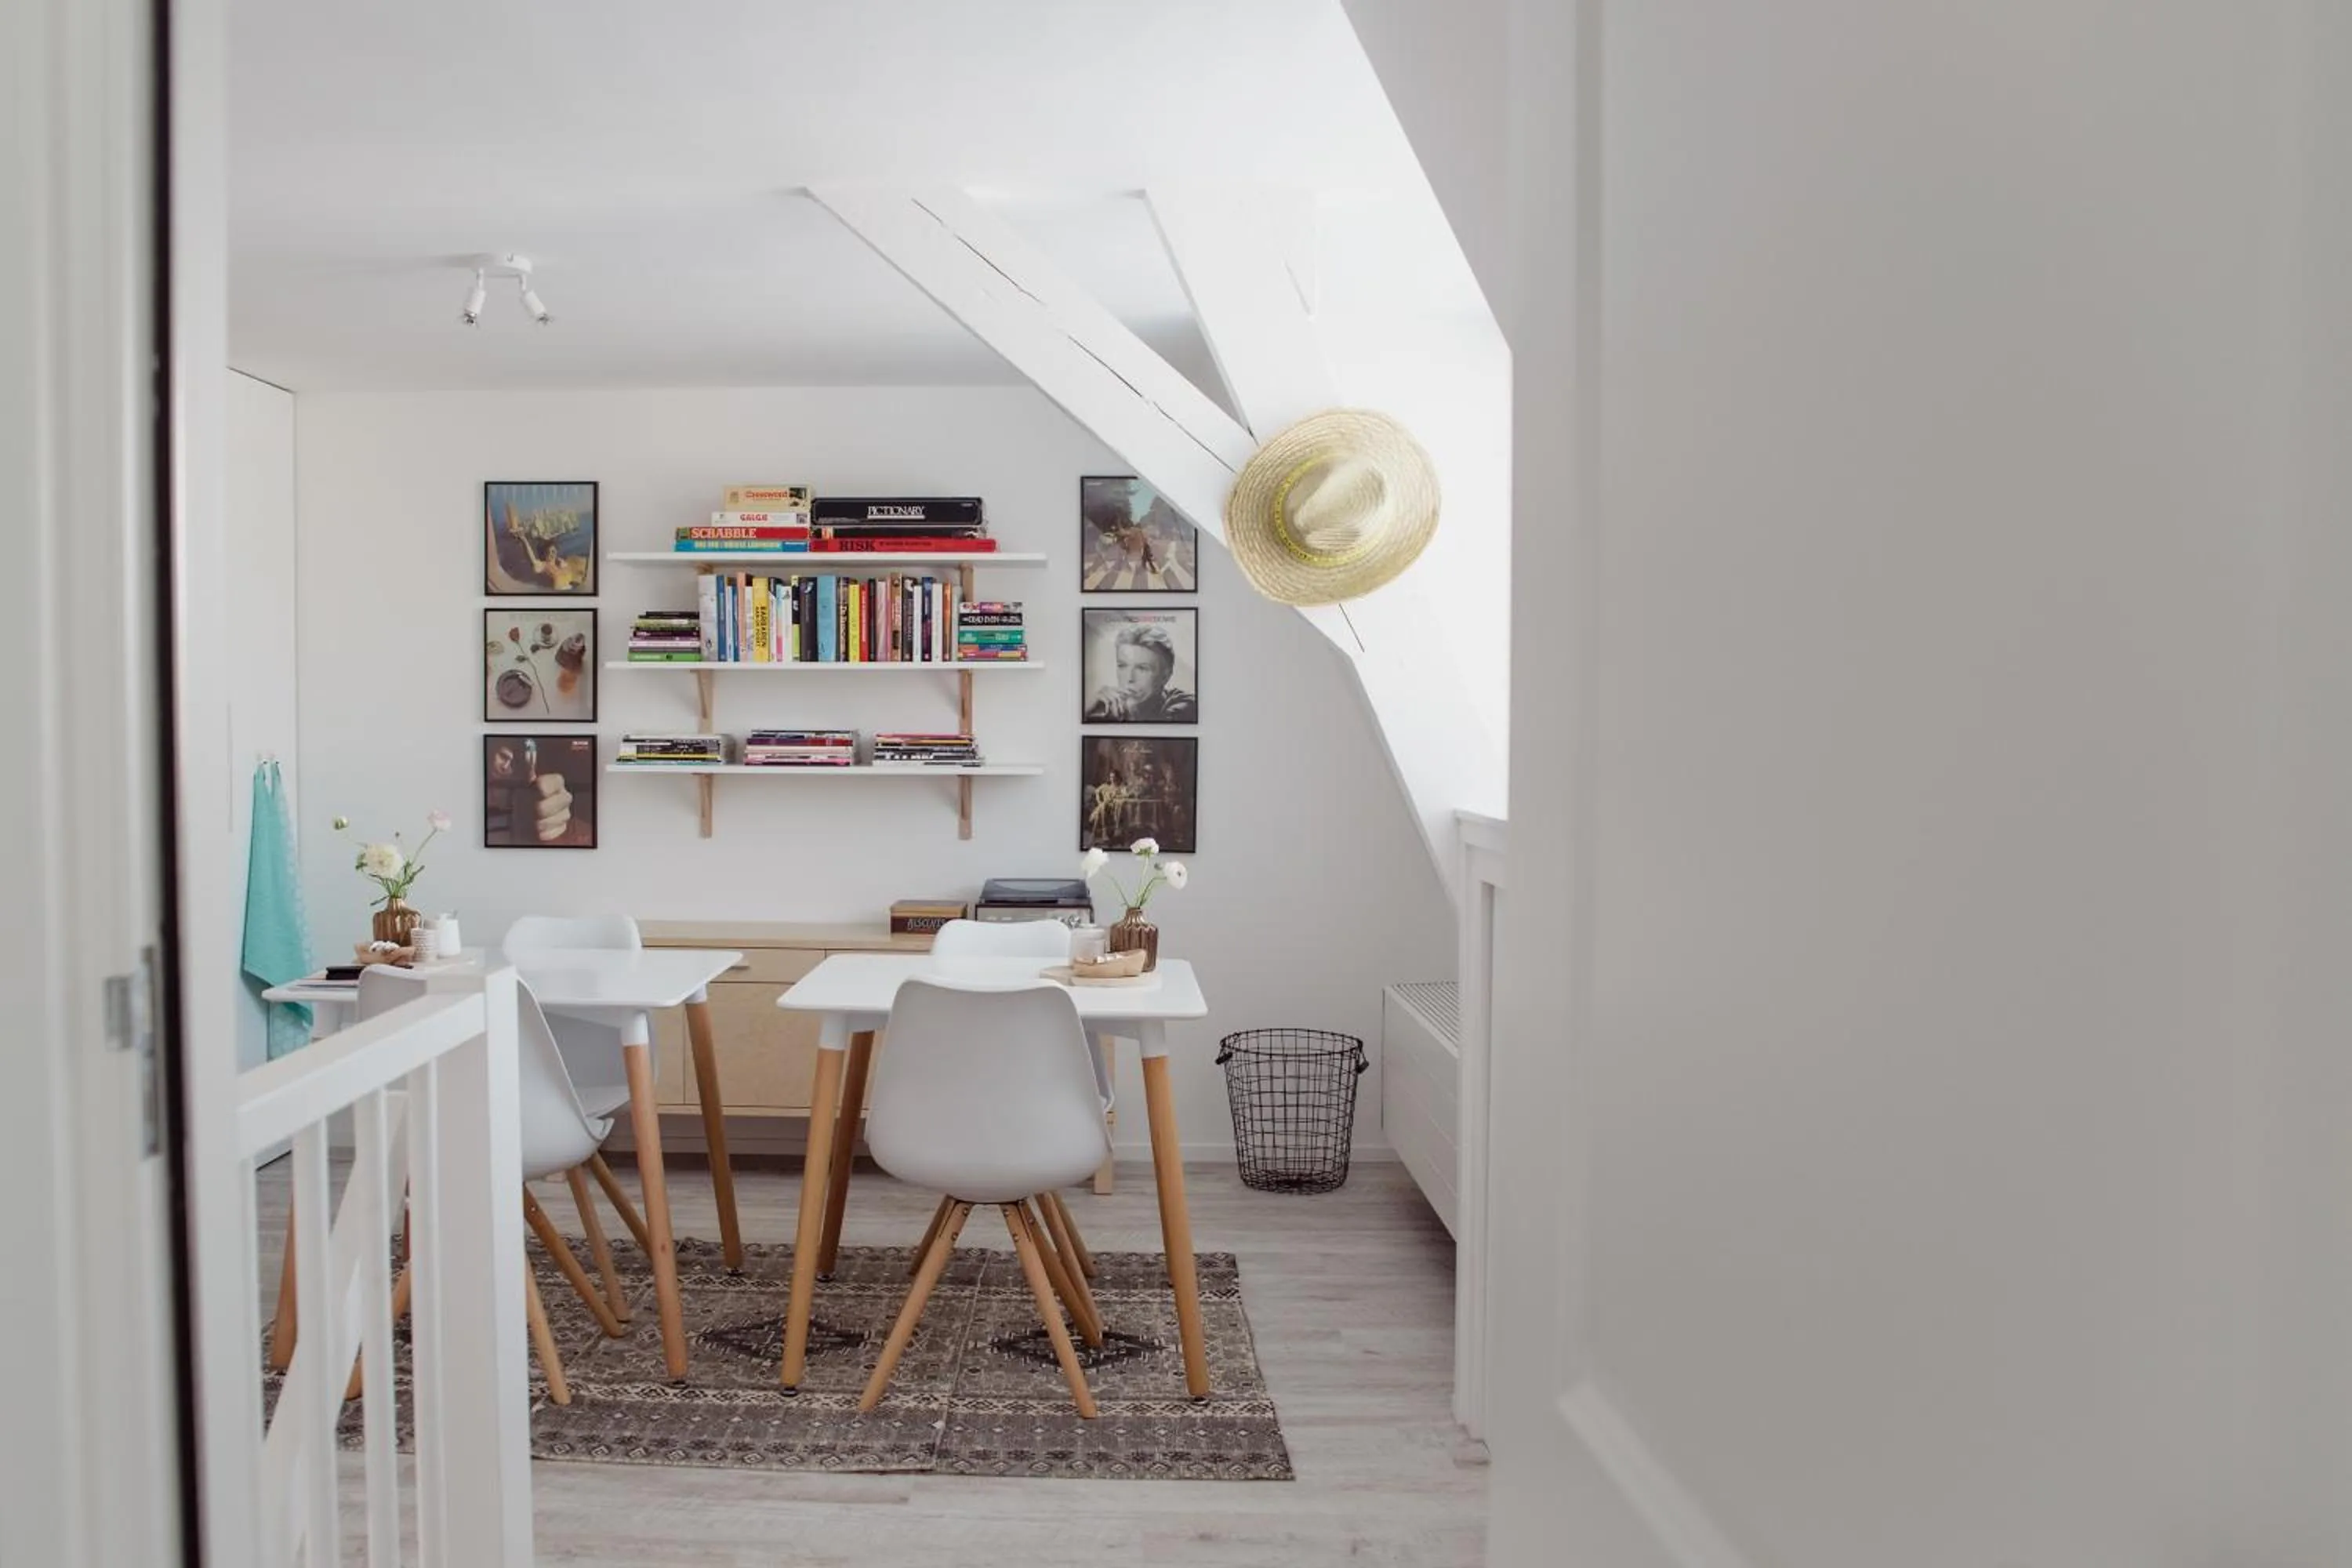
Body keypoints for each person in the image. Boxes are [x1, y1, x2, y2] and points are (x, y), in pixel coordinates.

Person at [1086, 622, 1197, 722]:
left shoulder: (1185, 705)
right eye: (1122, 666)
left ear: (1166, 675)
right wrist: (1088, 709)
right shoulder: (1107, 706)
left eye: (1142, 668)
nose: (1129, 678)